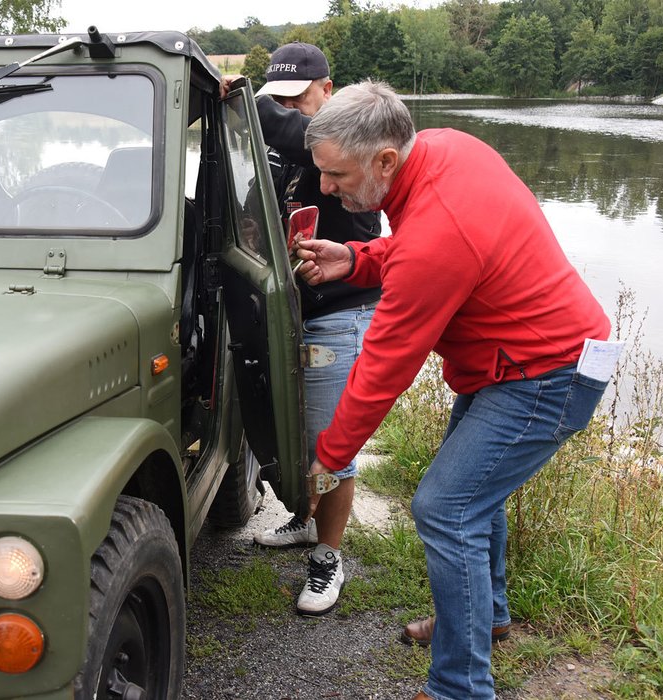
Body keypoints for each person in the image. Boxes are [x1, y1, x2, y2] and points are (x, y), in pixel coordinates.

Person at [293, 81, 614, 700]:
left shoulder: (439, 226)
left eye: (336, 175)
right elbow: (428, 248)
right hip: (514, 363)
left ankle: (460, 688)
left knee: (447, 508)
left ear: (386, 160)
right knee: (471, 498)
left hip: (546, 375)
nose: (327, 189)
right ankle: (483, 619)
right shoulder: (443, 148)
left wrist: (328, 458)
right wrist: (358, 259)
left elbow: (386, 362)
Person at [222, 42, 382, 616]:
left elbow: (294, 134)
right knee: (297, 434)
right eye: (279, 99)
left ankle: (327, 560)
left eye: (299, 97)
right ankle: (304, 519)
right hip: (295, 314)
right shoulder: (290, 149)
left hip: (341, 315)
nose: (290, 108)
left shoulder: (346, 142)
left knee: (329, 445)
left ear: (327, 90)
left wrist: (243, 101)